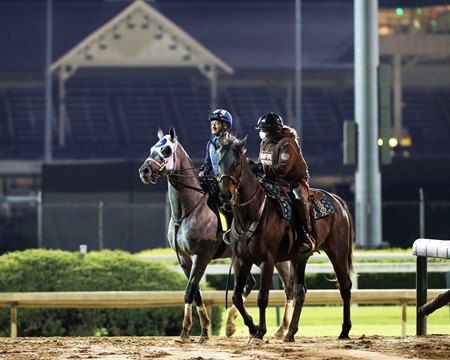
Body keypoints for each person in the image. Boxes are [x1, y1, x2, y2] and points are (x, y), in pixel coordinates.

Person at [250, 112, 315, 253]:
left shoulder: (287, 143)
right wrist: (253, 165)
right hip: (271, 179)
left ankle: (304, 234)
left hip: (293, 182)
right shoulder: (264, 142)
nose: (262, 133)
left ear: (273, 130)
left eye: (264, 130)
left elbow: (282, 169)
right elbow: (263, 162)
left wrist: (260, 167)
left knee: (297, 198)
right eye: (261, 130)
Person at [198, 108, 234, 242]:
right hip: (216, 181)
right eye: (212, 123)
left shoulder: (231, 143)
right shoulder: (210, 144)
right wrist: (203, 171)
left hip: (228, 182)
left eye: (217, 123)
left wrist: (220, 177)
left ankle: (231, 231)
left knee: (224, 201)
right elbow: (208, 163)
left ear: (225, 126)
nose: (213, 125)